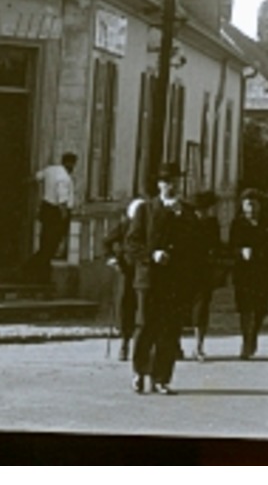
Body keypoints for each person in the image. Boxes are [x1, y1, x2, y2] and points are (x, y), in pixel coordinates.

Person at [126, 162, 196, 395]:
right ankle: (139, 372)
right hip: (149, 279)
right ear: (159, 185)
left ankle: (161, 378)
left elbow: (194, 245)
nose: (171, 185)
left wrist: (180, 218)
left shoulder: (186, 212)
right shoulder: (145, 210)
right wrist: (151, 254)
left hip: (175, 280)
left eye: (175, 181)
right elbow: (132, 243)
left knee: (170, 329)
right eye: (166, 181)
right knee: (146, 325)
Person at [228, 190, 268, 359]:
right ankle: (246, 341)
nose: (251, 207)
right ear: (242, 206)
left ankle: (253, 336)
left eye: (254, 204)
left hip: (263, 273)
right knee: (245, 309)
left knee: (260, 309)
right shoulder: (238, 224)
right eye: (248, 204)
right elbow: (230, 247)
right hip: (244, 273)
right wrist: (241, 251)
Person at [101, 196, 144, 361]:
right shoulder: (125, 226)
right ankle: (125, 343)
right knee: (126, 305)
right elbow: (106, 242)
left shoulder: (149, 227)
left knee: (143, 307)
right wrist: (112, 258)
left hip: (144, 270)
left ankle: (142, 345)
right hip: (127, 270)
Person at [185, 190, 226, 361]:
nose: (200, 213)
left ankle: (198, 346)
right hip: (184, 271)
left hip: (203, 271)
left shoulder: (211, 224)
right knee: (180, 309)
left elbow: (217, 246)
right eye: (197, 210)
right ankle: (176, 346)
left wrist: (217, 260)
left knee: (201, 310)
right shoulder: (183, 224)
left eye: (203, 209)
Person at [25, 152, 77, 283]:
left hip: (46, 210)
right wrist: (64, 218)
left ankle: (41, 275)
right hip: (56, 214)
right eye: (73, 165)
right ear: (70, 164)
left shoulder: (50, 170)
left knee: (45, 242)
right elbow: (62, 200)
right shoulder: (64, 178)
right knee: (51, 246)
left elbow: (36, 177)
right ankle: (28, 269)